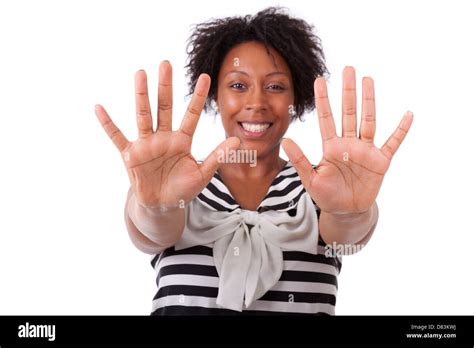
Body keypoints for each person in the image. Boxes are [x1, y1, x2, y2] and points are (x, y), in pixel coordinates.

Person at [94, 7, 413, 315]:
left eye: (275, 86)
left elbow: (345, 236)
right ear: (215, 96)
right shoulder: (177, 179)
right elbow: (152, 230)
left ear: (296, 99)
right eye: (237, 85)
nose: (257, 102)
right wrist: (155, 207)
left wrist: (350, 213)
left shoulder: (325, 184)